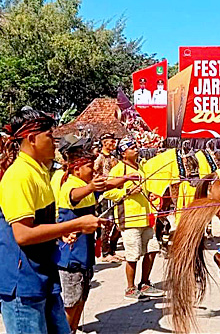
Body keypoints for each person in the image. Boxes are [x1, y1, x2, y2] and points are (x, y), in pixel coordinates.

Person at [0, 108, 105, 334]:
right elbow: (23, 235)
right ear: (31, 139)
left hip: (42, 278)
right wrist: (75, 225)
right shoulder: (20, 175)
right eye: (49, 136)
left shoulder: (39, 172)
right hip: (20, 284)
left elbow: (40, 223)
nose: (55, 143)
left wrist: (59, 232)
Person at [104, 138, 163, 300]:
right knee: (133, 254)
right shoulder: (118, 169)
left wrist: (149, 193)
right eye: (132, 148)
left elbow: (143, 189)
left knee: (152, 249)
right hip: (129, 218)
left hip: (146, 217)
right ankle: (130, 288)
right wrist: (126, 191)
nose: (136, 149)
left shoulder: (140, 167)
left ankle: (145, 283)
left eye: (136, 147)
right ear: (123, 153)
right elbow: (107, 192)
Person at [55, 143, 104, 332]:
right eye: (90, 167)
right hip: (71, 257)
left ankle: (72, 330)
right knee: (71, 302)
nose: (94, 170)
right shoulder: (71, 185)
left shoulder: (85, 186)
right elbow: (74, 196)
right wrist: (92, 186)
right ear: (77, 169)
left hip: (85, 255)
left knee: (81, 298)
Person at [94, 133, 123, 263]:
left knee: (117, 223)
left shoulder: (113, 158)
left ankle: (112, 250)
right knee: (107, 222)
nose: (113, 144)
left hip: (115, 192)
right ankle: (105, 252)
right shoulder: (99, 158)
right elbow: (94, 173)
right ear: (104, 143)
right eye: (111, 142)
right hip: (104, 194)